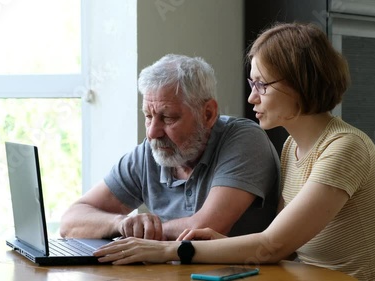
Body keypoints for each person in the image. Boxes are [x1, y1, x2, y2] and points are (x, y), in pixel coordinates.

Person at [92, 23, 375, 281]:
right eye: (251, 83)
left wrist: (165, 250)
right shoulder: (291, 147)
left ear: (300, 84)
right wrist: (225, 246)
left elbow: (272, 246)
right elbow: (283, 246)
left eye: (262, 85)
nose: (252, 98)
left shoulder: (345, 148)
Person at [60, 54, 280, 241]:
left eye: (167, 118)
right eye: (148, 116)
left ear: (208, 114)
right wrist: (121, 223)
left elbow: (205, 230)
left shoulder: (244, 140)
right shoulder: (151, 151)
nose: (152, 133)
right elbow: (71, 221)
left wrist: (141, 232)